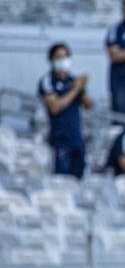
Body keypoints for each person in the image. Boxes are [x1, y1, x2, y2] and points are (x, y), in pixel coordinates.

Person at [39, 43, 92, 178]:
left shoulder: (73, 80)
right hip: (59, 139)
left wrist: (81, 88)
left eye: (66, 56)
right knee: (62, 178)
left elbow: (89, 104)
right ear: (51, 60)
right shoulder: (48, 81)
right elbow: (55, 107)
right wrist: (75, 89)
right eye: (59, 57)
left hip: (76, 137)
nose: (63, 61)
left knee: (78, 177)